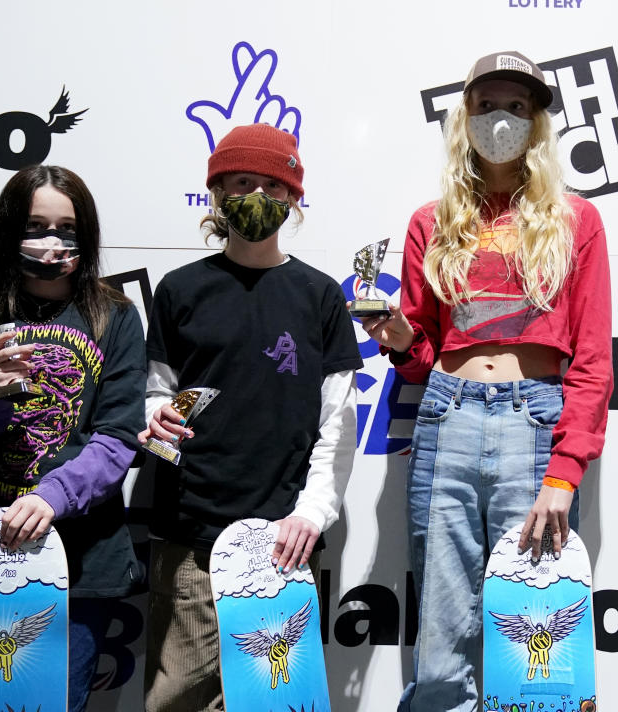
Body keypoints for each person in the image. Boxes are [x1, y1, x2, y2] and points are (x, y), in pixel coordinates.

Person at [358, 51, 613, 711]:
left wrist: (563, 474)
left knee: (533, 633)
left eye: (517, 108)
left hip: (534, 424)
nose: (502, 119)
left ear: (537, 123)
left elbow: (591, 359)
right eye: (488, 105)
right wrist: (401, 341)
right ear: (464, 117)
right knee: (441, 638)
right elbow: (420, 353)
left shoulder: (575, 221)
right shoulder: (431, 222)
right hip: (448, 419)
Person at [139, 123, 363, 711]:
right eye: (242, 182)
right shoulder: (180, 289)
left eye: (272, 184)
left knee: (271, 703)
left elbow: (338, 424)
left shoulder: (319, 297)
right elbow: (154, 394)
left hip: (282, 543)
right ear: (216, 192)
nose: (258, 196)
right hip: (190, 538)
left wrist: (311, 513)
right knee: (177, 698)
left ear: (294, 197)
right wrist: (156, 418)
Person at [0, 165, 146, 712]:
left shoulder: (115, 318)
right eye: (35, 225)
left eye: (66, 228)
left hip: (80, 565)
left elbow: (117, 439)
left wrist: (51, 495)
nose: (51, 241)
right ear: (7, 230)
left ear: (86, 235)